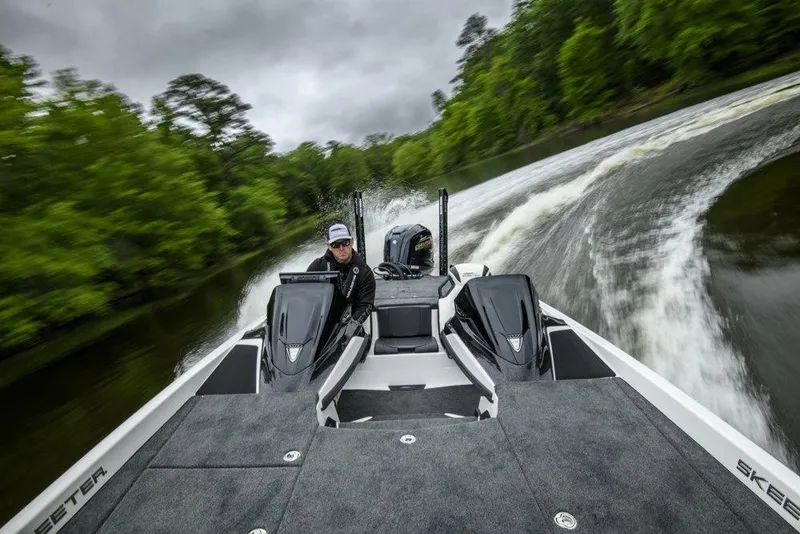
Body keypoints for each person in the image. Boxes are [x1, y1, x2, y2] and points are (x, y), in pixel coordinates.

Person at [307, 223, 376, 328]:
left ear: (352, 242)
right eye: (335, 244)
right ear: (329, 246)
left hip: (348, 324)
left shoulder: (365, 272)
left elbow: (365, 305)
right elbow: (306, 296)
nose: (341, 248)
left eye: (345, 242)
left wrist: (349, 327)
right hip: (319, 323)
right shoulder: (317, 266)